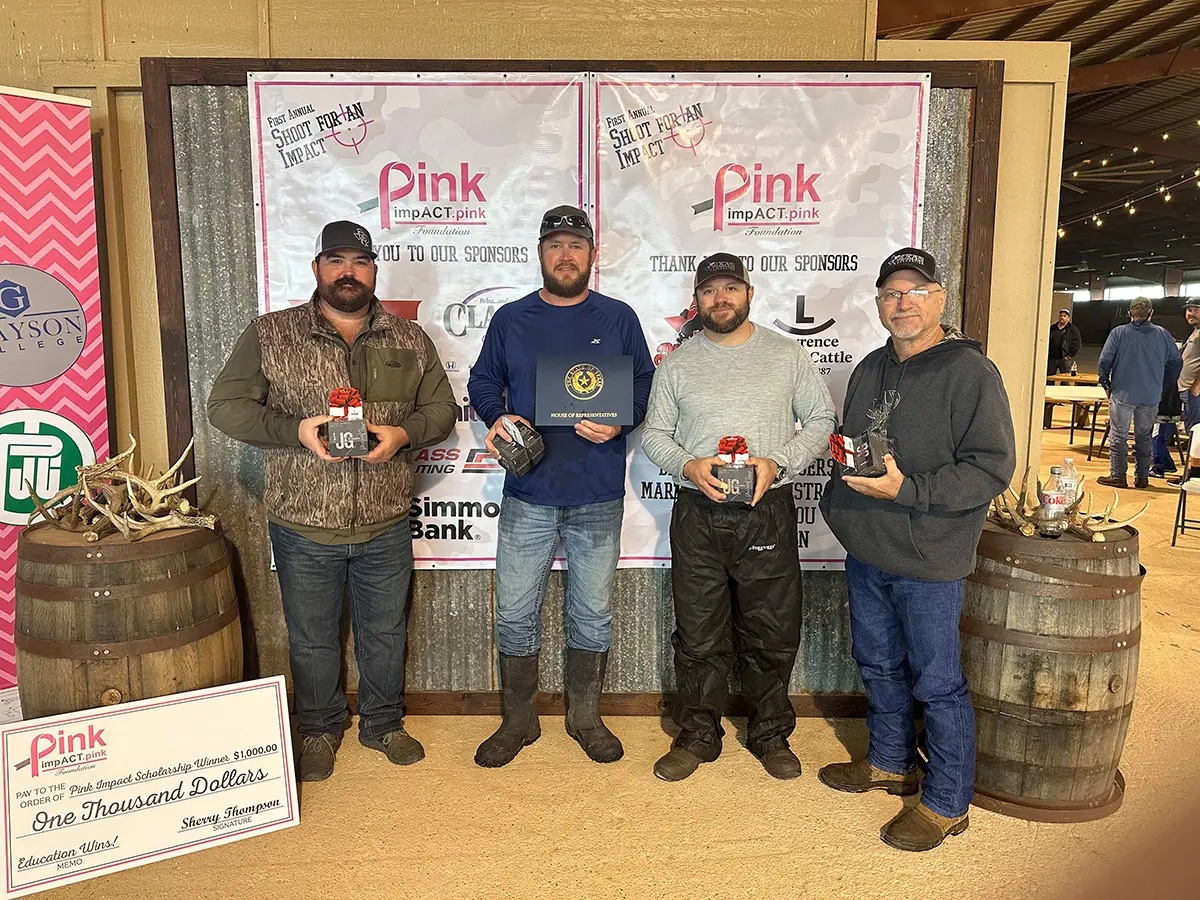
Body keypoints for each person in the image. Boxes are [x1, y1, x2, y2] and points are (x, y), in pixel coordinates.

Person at [208, 220, 456, 781]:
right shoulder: (271, 333)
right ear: (317, 268)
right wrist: (296, 430)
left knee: (386, 631)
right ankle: (319, 728)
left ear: (374, 271)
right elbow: (225, 406)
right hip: (304, 524)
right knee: (313, 636)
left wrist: (402, 434)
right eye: (336, 260)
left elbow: (440, 409)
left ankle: (383, 723)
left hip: (384, 521)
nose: (349, 272)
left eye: (360, 262)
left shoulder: (409, 339)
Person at [818, 248, 1016, 852]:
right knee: (876, 663)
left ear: (939, 300)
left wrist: (910, 489)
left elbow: (991, 468)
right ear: (878, 304)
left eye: (915, 290)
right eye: (889, 293)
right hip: (867, 546)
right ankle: (888, 761)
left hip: (930, 555)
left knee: (937, 681)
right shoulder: (871, 367)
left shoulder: (971, 374)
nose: (901, 302)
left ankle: (947, 801)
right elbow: (857, 442)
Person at [467, 205, 654, 768]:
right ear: (541, 252)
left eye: (576, 244)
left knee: (592, 612)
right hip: (529, 491)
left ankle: (584, 716)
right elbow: (482, 381)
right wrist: (495, 417)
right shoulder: (510, 319)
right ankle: (518, 721)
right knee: (515, 612)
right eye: (556, 245)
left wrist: (622, 420)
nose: (566, 254)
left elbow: (644, 384)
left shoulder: (619, 318)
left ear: (592, 254)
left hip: (597, 492)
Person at [640, 252, 836, 782]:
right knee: (699, 632)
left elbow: (821, 419)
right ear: (696, 299)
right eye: (709, 290)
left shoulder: (786, 355)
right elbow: (654, 435)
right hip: (698, 513)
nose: (719, 298)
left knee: (770, 630)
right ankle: (698, 732)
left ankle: (770, 732)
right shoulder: (678, 364)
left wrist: (781, 461)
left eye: (730, 288)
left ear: (749, 293)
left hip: (765, 511)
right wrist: (687, 463)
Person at [1097, 297, 1183, 489]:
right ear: (1151, 313)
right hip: (1151, 394)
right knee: (1144, 436)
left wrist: (1106, 384)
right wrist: (1163, 382)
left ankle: (1118, 475)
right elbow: (1176, 362)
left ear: (1130, 313)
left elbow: (1104, 361)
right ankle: (1142, 477)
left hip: (1123, 393)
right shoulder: (1163, 335)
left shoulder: (1118, 333)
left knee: (1119, 435)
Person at [1047, 307, 1082, 377]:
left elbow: (1077, 344)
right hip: (1052, 358)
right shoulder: (1052, 328)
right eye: (1060, 316)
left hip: (1064, 359)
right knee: (1049, 378)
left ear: (1068, 318)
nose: (1062, 317)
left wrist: (1069, 355)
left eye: (1064, 316)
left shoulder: (1073, 330)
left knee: (1065, 378)